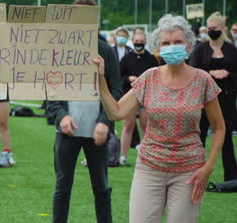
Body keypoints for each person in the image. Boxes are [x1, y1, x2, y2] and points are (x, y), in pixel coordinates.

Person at [94, 14, 225, 222]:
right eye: (166, 43)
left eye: (177, 42)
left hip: (188, 171)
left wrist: (209, 167)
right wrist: (101, 79)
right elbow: (116, 112)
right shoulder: (149, 78)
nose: (171, 46)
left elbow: (219, 128)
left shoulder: (203, 80)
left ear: (188, 45)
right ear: (158, 47)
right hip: (149, 168)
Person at [47, 0, 122, 223]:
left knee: (101, 188)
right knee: (62, 187)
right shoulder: (58, 51)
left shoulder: (106, 51)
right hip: (67, 131)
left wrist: (104, 121)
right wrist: (61, 116)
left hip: (97, 133)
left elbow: (117, 90)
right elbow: (50, 92)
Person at [189, 12, 237, 182]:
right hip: (203, 100)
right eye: (209, 28)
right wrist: (210, 73)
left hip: (226, 99)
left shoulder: (232, 49)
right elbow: (193, 72)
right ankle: (193, 173)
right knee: (199, 137)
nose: (211, 31)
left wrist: (228, 73)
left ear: (222, 29)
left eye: (214, 28)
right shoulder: (200, 49)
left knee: (226, 139)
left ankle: (231, 177)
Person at [118, 32, 158, 166]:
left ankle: (147, 157)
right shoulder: (126, 58)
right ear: (132, 41)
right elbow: (119, 77)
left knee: (145, 127)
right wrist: (129, 78)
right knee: (128, 126)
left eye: (141, 40)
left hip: (146, 98)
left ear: (145, 42)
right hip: (130, 96)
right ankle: (123, 156)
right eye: (136, 40)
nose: (139, 43)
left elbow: (157, 78)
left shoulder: (152, 59)